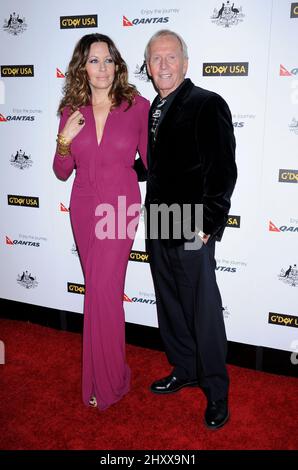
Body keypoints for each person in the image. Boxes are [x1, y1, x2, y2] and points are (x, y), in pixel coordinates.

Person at [144, 30, 237, 429]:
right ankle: (184, 368)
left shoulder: (206, 104)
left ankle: (217, 391)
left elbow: (222, 169)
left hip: (190, 224)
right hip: (159, 220)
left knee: (202, 310)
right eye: (155, 59)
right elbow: (159, 163)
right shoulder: (154, 107)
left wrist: (210, 222)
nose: (163, 65)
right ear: (147, 67)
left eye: (170, 57)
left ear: (185, 62)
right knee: (170, 305)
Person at [53, 33, 149, 410]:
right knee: (97, 291)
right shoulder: (71, 111)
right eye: (94, 61)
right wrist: (64, 140)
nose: (103, 68)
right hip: (83, 206)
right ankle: (106, 375)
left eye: (108, 60)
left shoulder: (136, 106)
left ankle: (106, 382)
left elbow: (153, 161)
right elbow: (62, 171)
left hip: (121, 207)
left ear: (117, 65)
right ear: (83, 67)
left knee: (105, 290)